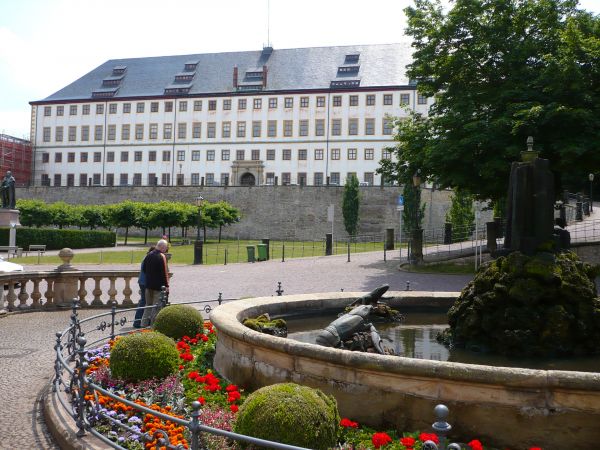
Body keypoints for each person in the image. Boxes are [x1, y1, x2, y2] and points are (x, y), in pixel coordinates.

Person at [140, 239, 170, 327]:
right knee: (156, 307)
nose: (166, 249)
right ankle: (153, 327)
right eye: (165, 247)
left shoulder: (148, 255)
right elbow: (164, 273)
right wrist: (167, 285)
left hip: (148, 285)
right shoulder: (161, 256)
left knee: (147, 306)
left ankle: (143, 325)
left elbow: (144, 269)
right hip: (158, 287)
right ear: (162, 247)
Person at [132, 246, 155, 328]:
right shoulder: (148, 258)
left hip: (142, 282)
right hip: (145, 283)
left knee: (144, 301)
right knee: (144, 301)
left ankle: (139, 321)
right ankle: (137, 322)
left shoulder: (146, 257)